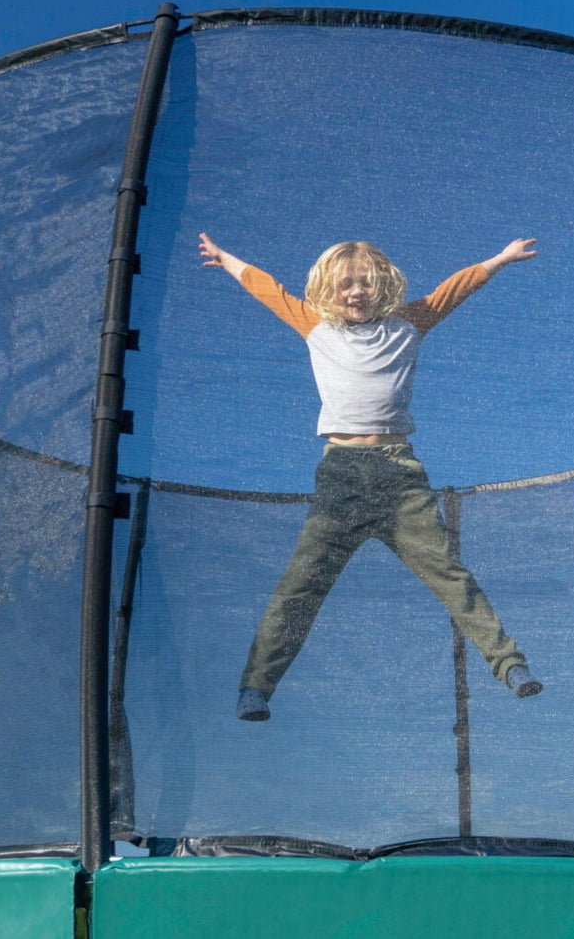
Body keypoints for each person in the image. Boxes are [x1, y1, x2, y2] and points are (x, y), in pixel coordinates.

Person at [198, 232, 542, 721]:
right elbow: (266, 287)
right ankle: (256, 686)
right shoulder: (315, 325)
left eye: (364, 283)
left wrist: (502, 258)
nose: (355, 292)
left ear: (382, 286)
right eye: (344, 285)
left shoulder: (409, 324)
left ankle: (509, 664)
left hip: (400, 476)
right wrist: (225, 258)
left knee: (449, 574)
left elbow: (455, 287)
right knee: (300, 586)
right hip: (342, 475)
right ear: (327, 290)